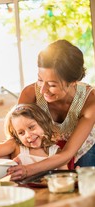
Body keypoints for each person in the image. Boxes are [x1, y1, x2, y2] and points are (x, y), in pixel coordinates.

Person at [8, 39, 95, 180]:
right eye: (40, 80)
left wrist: (28, 169)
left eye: (52, 84)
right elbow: (16, 138)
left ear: (73, 82)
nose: (43, 90)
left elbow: (67, 154)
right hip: (48, 149)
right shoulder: (30, 93)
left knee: (85, 188)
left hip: (82, 148)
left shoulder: (90, 101)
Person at [0, 103, 67, 178]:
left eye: (31, 127)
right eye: (21, 133)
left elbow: (65, 177)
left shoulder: (56, 152)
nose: (28, 135)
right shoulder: (16, 145)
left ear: (43, 123)